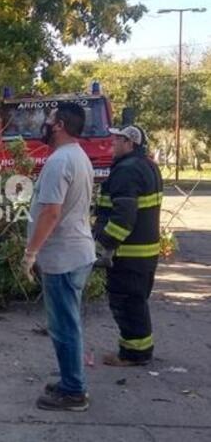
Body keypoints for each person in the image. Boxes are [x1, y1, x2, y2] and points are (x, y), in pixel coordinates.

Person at [22, 103, 95, 412]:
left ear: (60, 124)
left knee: (64, 326)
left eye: (49, 119)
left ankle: (73, 391)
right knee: (68, 322)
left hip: (63, 256)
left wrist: (30, 252)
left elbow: (51, 213)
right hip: (76, 252)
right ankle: (70, 380)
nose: (45, 124)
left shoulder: (59, 161)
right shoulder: (78, 156)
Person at [94, 125, 162, 367]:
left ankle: (133, 355)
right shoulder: (148, 166)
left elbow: (123, 216)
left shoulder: (126, 171)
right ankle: (139, 349)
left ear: (130, 144)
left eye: (118, 139)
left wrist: (105, 245)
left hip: (128, 253)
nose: (112, 141)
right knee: (137, 301)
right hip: (146, 252)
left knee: (126, 302)